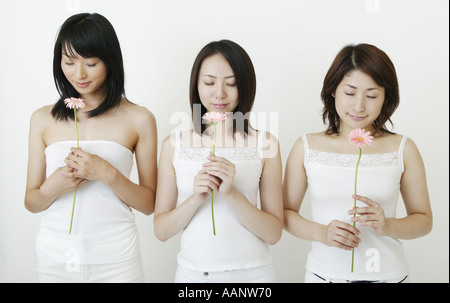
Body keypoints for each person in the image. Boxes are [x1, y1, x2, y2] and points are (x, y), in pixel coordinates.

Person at [25, 13, 157, 282]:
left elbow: (149, 203)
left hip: (117, 259)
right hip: (55, 258)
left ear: (110, 61)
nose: (79, 74)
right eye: (69, 62)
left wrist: (106, 173)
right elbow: (31, 202)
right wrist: (53, 188)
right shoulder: (42, 119)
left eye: (91, 63)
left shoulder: (139, 118)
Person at [283, 43, 432, 283]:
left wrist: (388, 226)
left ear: (386, 97)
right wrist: (321, 233)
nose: (359, 106)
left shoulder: (404, 148)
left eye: (372, 95)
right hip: (323, 276)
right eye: (350, 93)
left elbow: (424, 220)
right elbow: (285, 213)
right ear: (333, 90)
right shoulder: (306, 146)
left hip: (389, 276)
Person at [154, 40, 283, 282]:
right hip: (193, 277)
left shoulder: (266, 144)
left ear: (245, 86)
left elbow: (274, 233)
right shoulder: (174, 145)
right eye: (209, 82)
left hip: (253, 277)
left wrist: (231, 194)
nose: (220, 94)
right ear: (196, 85)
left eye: (231, 83)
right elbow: (161, 231)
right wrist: (196, 198)